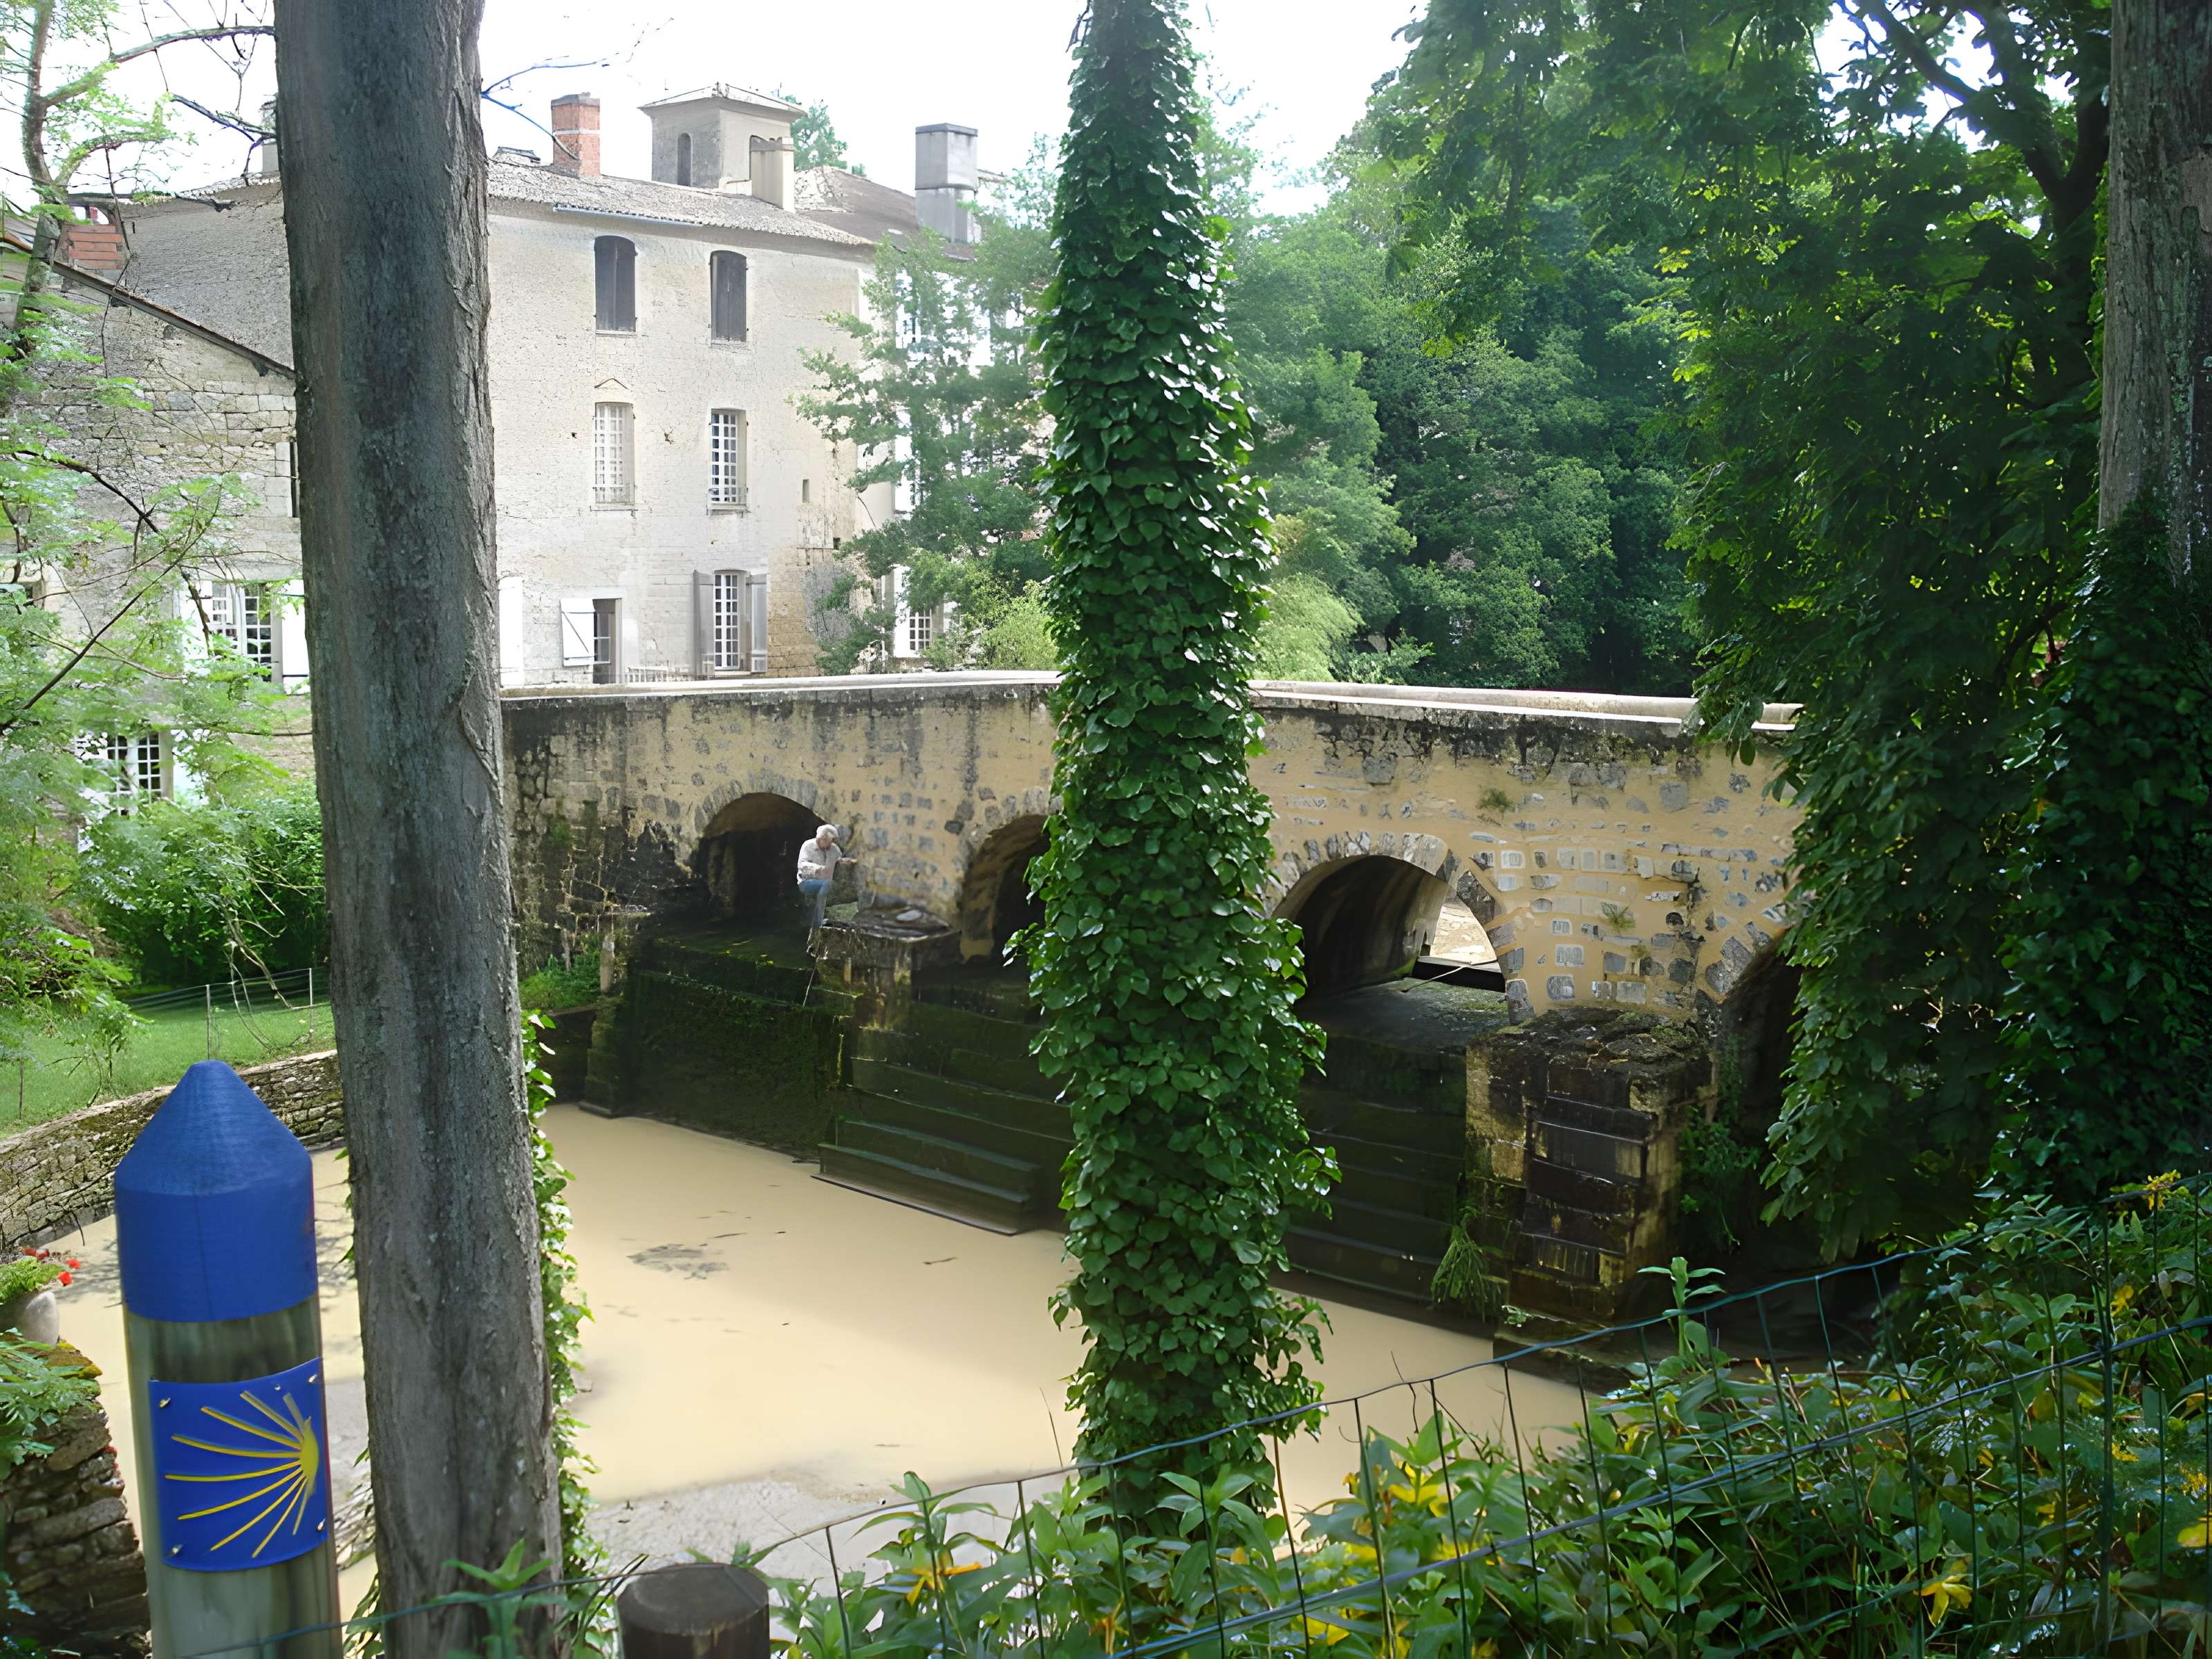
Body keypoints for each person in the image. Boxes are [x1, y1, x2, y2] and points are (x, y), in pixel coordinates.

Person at [796, 824, 843, 928]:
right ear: (821, 839)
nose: (830, 844)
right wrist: (818, 869)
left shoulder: (833, 849)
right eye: (827, 841)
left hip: (827, 882)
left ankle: (824, 917)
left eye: (831, 841)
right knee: (826, 885)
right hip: (806, 882)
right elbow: (802, 866)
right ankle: (818, 923)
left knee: (829, 885)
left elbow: (841, 861)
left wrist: (846, 862)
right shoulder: (808, 846)